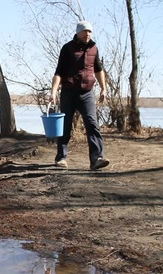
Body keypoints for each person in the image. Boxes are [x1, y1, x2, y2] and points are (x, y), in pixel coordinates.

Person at [49, 20, 110, 170]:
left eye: (90, 31)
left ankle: (96, 158)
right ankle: (61, 158)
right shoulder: (67, 48)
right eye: (85, 31)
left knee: (92, 124)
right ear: (78, 32)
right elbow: (59, 72)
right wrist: (53, 92)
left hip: (87, 93)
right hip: (69, 92)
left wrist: (103, 88)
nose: (88, 34)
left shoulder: (94, 48)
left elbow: (98, 69)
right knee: (65, 126)